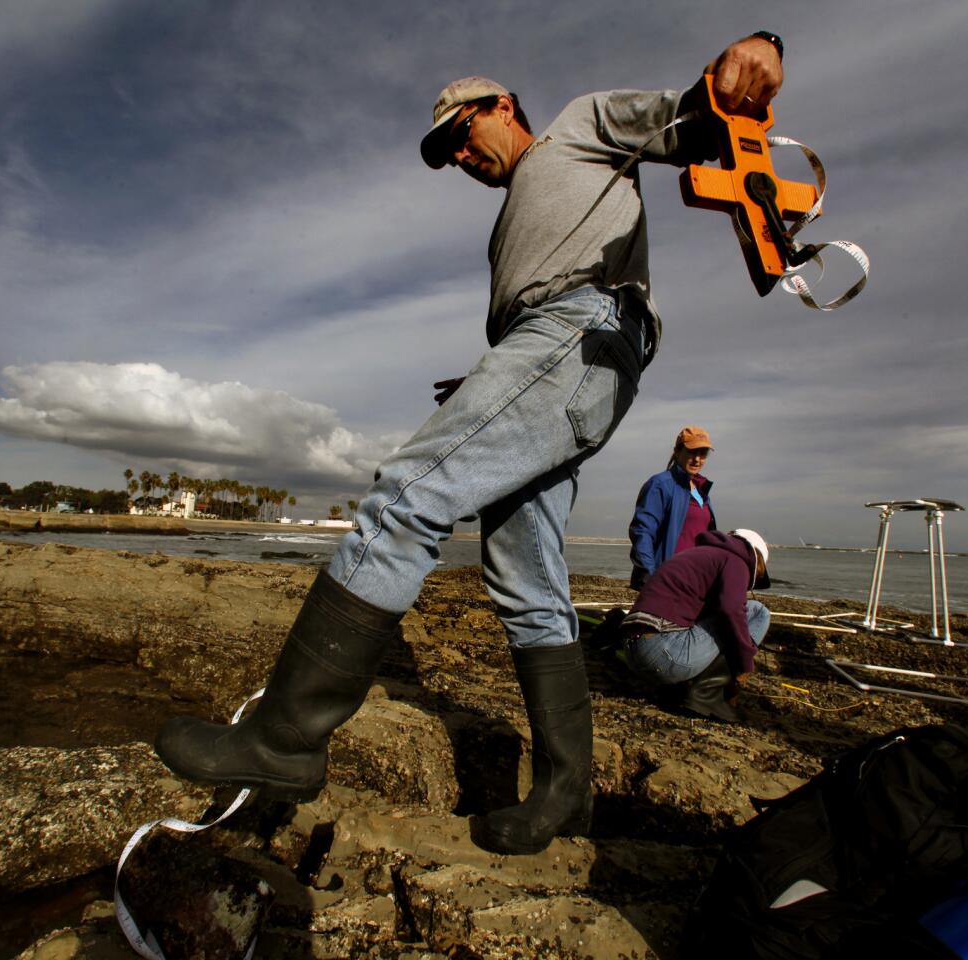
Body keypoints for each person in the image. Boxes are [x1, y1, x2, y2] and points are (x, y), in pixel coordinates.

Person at [156, 32, 787, 856]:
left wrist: (755, 58)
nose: (459, 154)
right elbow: (530, 325)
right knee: (522, 571)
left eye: (462, 131)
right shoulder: (509, 230)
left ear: (503, 107)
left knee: (408, 493)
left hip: (585, 327)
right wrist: (488, 383)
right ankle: (566, 795)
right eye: (446, 150)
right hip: (553, 353)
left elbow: (695, 117)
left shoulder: (576, 128)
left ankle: (285, 738)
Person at [621, 529, 772, 723]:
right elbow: (732, 610)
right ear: (756, 560)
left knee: (717, 618)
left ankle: (678, 689)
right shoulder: (736, 560)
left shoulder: (697, 555)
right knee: (758, 612)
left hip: (633, 653)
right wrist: (744, 664)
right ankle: (706, 695)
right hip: (665, 655)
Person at [628, 425, 719, 589]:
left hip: (697, 579)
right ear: (678, 451)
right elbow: (643, 531)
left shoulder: (701, 489)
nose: (697, 459)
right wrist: (650, 576)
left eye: (702, 454)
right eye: (692, 452)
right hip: (668, 579)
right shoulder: (661, 484)